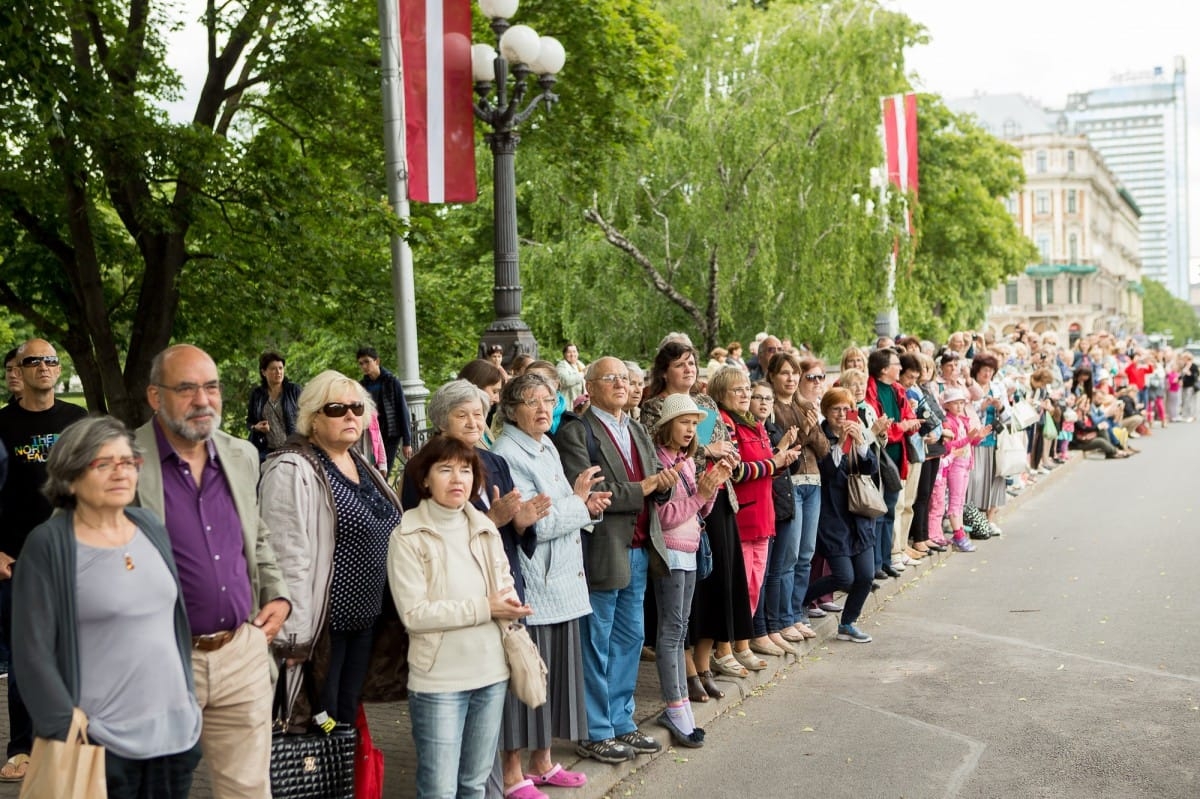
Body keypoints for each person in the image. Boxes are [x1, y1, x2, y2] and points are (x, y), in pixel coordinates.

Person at [15, 416, 203, 797]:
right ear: (69, 475)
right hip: (102, 747)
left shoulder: (149, 525)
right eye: (103, 463)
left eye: (128, 461)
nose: (121, 472)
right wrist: (64, 728)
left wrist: (189, 702)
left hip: (177, 739)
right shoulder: (49, 545)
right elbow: (31, 651)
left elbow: (171, 623)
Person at [135, 344, 291, 799]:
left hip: (241, 651)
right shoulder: (123, 459)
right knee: (158, 789)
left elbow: (255, 533)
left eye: (211, 387)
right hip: (162, 660)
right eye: (185, 388)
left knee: (248, 790)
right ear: (154, 396)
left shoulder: (240, 455)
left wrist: (278, 594)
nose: (202, 400)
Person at [388, 436, 530, 799]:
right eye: (445, 469)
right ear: (425, 479)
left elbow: (505, 585)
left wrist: (510, 603)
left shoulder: (484, 528)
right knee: (438, 789)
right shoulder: (407, 534)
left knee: (474, 785)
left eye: (465, 471)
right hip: (439, 682)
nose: (457, 479)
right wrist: (486, 607)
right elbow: (414, 614)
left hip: (491, 674)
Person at [258, 371, 404, 725]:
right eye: (337, 408)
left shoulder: (359, 462)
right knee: (315, 727)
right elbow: (283, 555)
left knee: (344, 723)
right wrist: (293, 637)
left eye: (357, 407)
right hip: (322, 631)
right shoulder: (292, 467)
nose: (351, 415)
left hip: (365, 622)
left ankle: (341, 782)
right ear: (313, 417)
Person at [555, 357, 678, 764]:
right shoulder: (577, 432)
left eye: (627, 379)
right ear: (589, 386)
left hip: (642, 546)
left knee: (630, 638)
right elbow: (593, 495)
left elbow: (655, 478)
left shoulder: (638, 428)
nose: (623, 385)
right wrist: (644, 487)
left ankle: (621, 721)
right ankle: (595, 730)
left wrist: (662, 486)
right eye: (612, 378)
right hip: (604, 548)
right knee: (597, 640)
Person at [491, 374, 606, 793]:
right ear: (510, 409)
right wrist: (578, 504)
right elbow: (534, 521)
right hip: (538, 580)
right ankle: (512, 773)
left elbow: (560, 508)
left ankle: (543, 761)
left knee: (552, 678)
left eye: (548, 400)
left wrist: (584, 504)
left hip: (564, 580)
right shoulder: (508, 452)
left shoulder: (546, 445)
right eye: (532, 401)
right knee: (527, 678)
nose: (543, 408)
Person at [0, 338, 89, 782]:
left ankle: (74, 743)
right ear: (18, 369)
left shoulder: (78, 421)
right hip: (18, 560)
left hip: (75, 555)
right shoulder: (1, 425)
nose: (43, 367)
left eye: (50, 360)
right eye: (32, 361)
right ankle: (22, 747)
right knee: (24, 656)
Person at [650, 394, 731, 746]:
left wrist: (712, 487)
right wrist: (701, 495)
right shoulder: (660, 463)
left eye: (694, 423)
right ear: (668, 425)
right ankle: (676, 706)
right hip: (668, 553)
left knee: (681, 628)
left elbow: (698, 512)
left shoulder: (683, 463)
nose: (690, 429)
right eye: (684, 422)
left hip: (688, 550)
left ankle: (680, 703)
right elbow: (663, 518)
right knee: (670, 632)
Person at [708, 366, 798, 672]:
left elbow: (765, 465)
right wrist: (773, 463)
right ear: (722, 394)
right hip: (742, 514)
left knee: (755, 584)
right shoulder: (726, 423)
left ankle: (742, 643)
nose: (746, 395)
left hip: (763, 514)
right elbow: (735, 470)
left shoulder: (756, 424)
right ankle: (727, 648)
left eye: (748, 389)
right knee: (739, 585)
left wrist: (780, 460)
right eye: (739, 390)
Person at [801, 388, 879, 643]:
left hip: (859, 516)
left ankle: (847, 623)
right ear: (826, 412)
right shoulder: (820, 435)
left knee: (866, 576)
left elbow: (872, 469)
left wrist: (862, 445)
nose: (842, 415)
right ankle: (799, 599)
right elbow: (828, 473)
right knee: (845, 577)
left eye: (847, 409)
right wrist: (841, 448)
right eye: (836, 410)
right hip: (832, 516)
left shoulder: (858, 432)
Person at [765, 353, 829, 646]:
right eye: (785, 373)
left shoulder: (805, 405)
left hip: (813, 480)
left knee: (806, 554)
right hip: (789, 485)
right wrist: (806, 430)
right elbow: (785, 446)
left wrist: (812, 426)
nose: (790, 379)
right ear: (773, 377)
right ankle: (783, 618)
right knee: (788, 556)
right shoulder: (771, 408)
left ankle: (797, 610)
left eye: (794, 373)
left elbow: (824, 449)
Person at [356, 346, 413, 475]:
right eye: (361, 363)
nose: (364, 366)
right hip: (371, 434)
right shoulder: (362, 386)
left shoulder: (392, 382)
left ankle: (384, 494)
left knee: (383, 472)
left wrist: (407, 442)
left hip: (390, 435)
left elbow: (402, 411)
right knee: (370, 471)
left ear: (376, 361)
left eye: (367, 361)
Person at [246, 350, 302, 462]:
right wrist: (256, 427)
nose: (278, 372)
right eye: (273, 369)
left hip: (292, 450)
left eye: (281, 368)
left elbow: (307, 417)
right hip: (266, 452)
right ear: (263, 372)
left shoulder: (294, 390)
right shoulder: (257, 394)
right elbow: (249, 422)